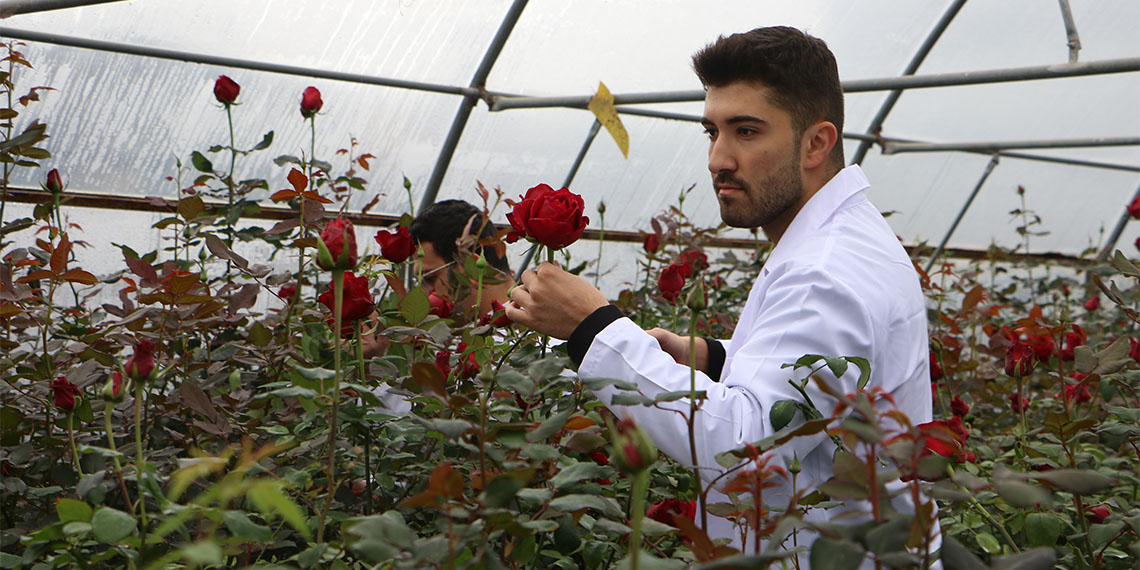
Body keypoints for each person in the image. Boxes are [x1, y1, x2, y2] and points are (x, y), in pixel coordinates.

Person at [504, 27, 933, 560]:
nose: (718, 159)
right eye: (712, 131)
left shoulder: (827, 269)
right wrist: (711, 360)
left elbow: (750, 448)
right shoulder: (838, 241)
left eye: (747, 131)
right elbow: (824, 392)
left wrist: (592, 328)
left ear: (817, 143)